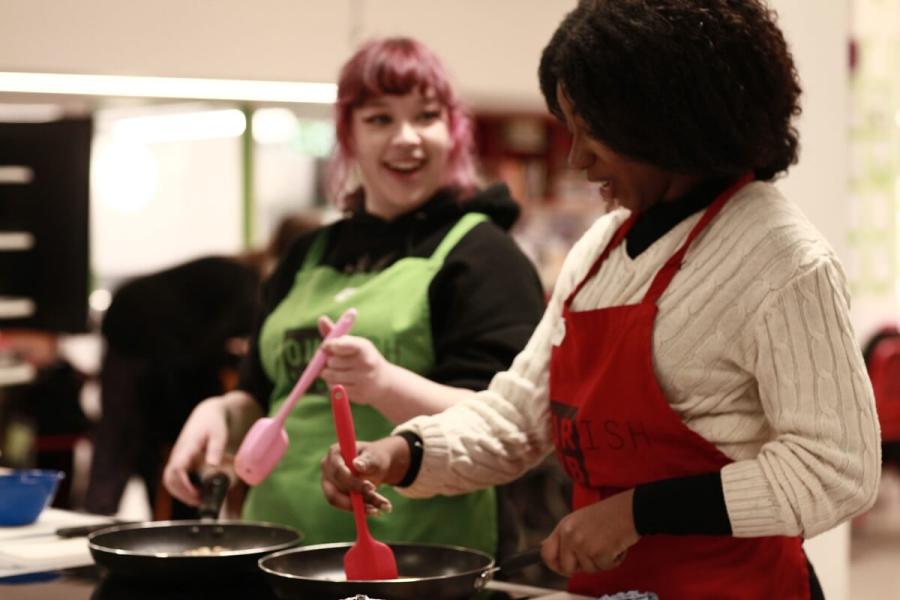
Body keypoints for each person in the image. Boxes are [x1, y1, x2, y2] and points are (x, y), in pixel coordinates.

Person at [320, 2, 881, 598]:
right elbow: (516, 417)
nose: (576, 157)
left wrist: (637, 512)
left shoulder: (782, 259)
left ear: (669, 121)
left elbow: (836, 469)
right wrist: (402, 452)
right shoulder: (599, 250)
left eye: (594, 130)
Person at [162, 37, 545, 556]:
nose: (406, 138)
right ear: (348, 134)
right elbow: (261, 392)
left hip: (421, 559)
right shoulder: (307, 253)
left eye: (426, 117)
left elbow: (505, 421)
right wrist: (221, 412)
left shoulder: (483, 255)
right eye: (380, 119)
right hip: (281, 550)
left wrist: (383, 384)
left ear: (452, 132)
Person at [85, 213, 318, 517]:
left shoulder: (242, 272)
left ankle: (116, 518)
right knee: (126, 439)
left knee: (128, 439)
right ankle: (107, 520)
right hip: (136, 329)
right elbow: (211, 350)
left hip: (136, 327)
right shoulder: (249, 284)